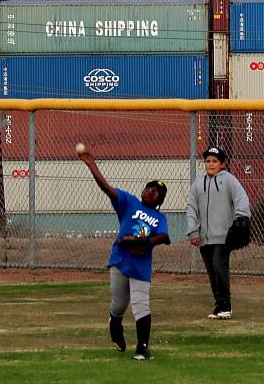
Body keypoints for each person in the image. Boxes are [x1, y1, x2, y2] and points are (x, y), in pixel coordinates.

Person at [77, 143, 170, 361]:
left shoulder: (160, 218)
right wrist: (91, 164)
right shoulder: (129, 202)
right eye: (149, 188)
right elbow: (107, 188)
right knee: (119, 305)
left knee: (140, 305)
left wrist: (145, 242)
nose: (151, 191)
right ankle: (114, 323)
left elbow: (164, 237)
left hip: (140, 265)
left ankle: (142, 348)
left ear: (160, 200)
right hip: (120, 260)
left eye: (156, 191)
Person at [186, 146, 250, 320]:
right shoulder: (198, 184)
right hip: (205, 238)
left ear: (223, 164)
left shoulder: (229, 180)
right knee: (212, 271)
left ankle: (225, 305)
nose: (211, 164)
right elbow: (191, 207)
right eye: (208, 161)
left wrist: (241, 217)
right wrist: (193, 231)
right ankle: (219, 305)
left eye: (215, 161)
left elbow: (241, 198)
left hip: (224, 236)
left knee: (218, 265)